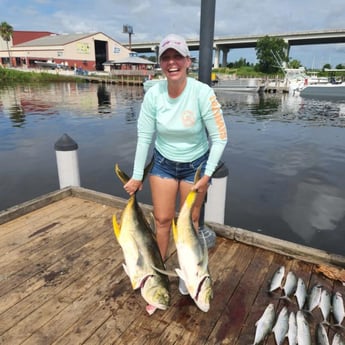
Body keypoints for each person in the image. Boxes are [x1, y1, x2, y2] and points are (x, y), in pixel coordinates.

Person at [123, 33, 228, 294]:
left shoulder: (202, 93)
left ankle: (189, 273)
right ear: (160, 63)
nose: (172, 63)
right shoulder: (153, 95)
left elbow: (219, 137)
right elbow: (144, 137)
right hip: (163, 163)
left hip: (196, 167)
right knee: (161, 220)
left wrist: (208, 173)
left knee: (190, 222)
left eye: (177, 57)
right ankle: (155, 273)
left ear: (187, 61)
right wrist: (136, 176)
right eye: (166, 57)